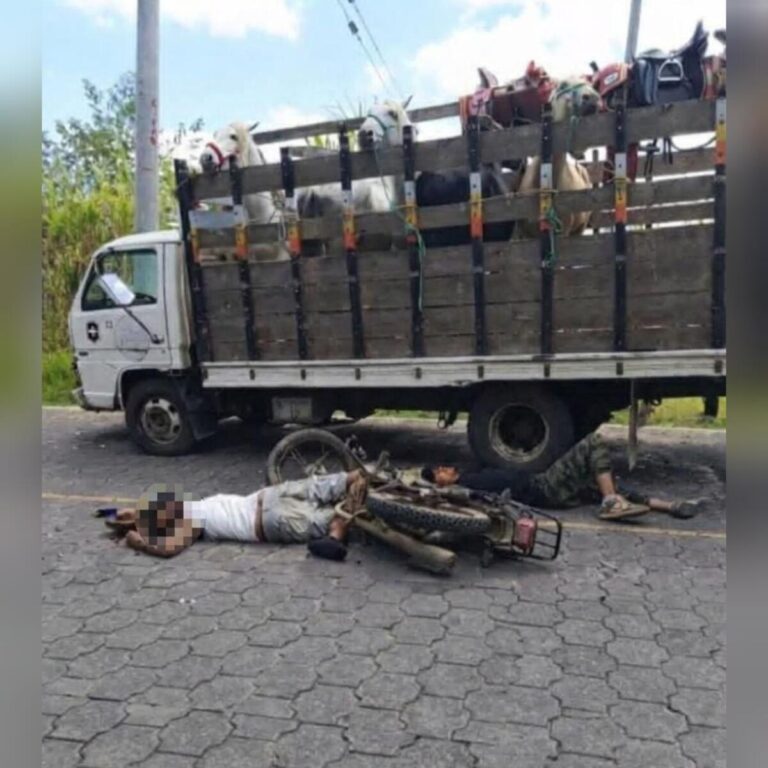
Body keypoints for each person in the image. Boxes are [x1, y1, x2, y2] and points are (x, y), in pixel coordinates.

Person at [421, 433, 698, 521]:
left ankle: (668, 506)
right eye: (439, 473)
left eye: (443, 467)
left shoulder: (471, 474)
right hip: (544, 489)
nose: (445, 470)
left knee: (601, 479)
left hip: (543, 483)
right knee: (594, 443)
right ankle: (611, 502)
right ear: (439, 482)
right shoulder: (464, 488)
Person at [112, 470, 368, 560]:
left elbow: (165, 545)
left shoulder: (190, 512)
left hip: (269, 515)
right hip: (267, 503)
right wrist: (138, 539)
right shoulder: (193, 519)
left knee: (333, 516)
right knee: (322, 488)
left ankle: (338, 529)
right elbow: (169, 548)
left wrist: (135, 536)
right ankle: (353, 483)